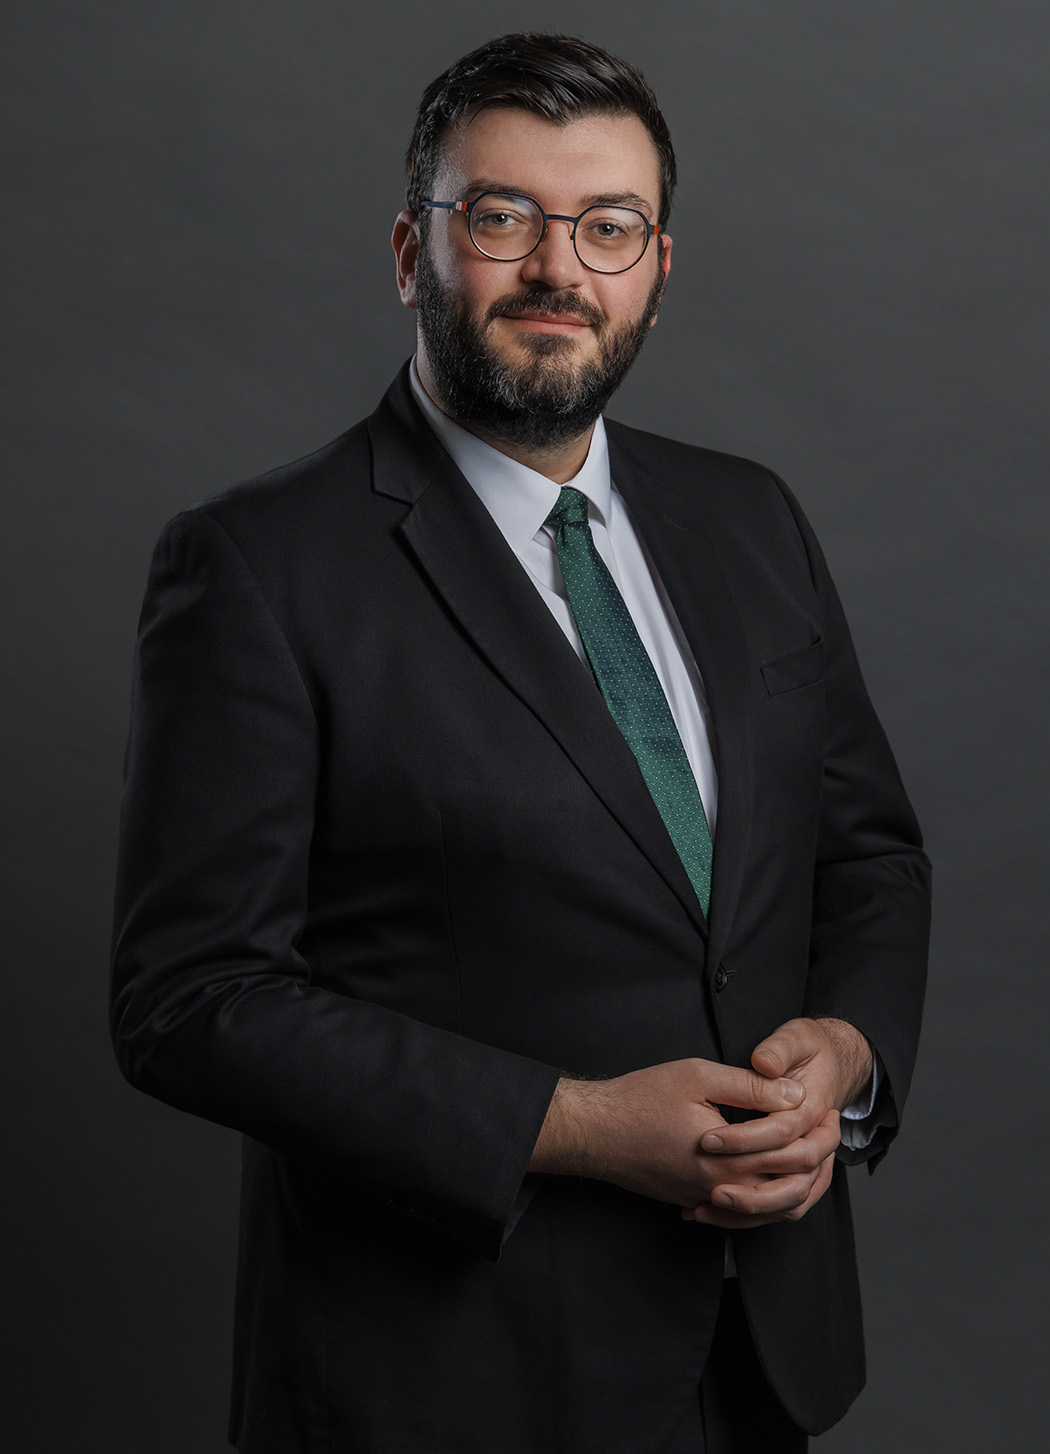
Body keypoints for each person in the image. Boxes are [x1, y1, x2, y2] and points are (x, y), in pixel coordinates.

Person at [111, 32, 930, 1454]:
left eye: (608, 226)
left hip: (754, 1358)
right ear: (410, 250)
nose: (560, 268)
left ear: (655, 269)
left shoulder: (751, 518)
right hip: (441, 1378)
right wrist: (579, 1123)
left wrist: (847, 1053)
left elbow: (867, 855)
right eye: (503, 217)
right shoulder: (256, 566)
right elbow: (189, 998)